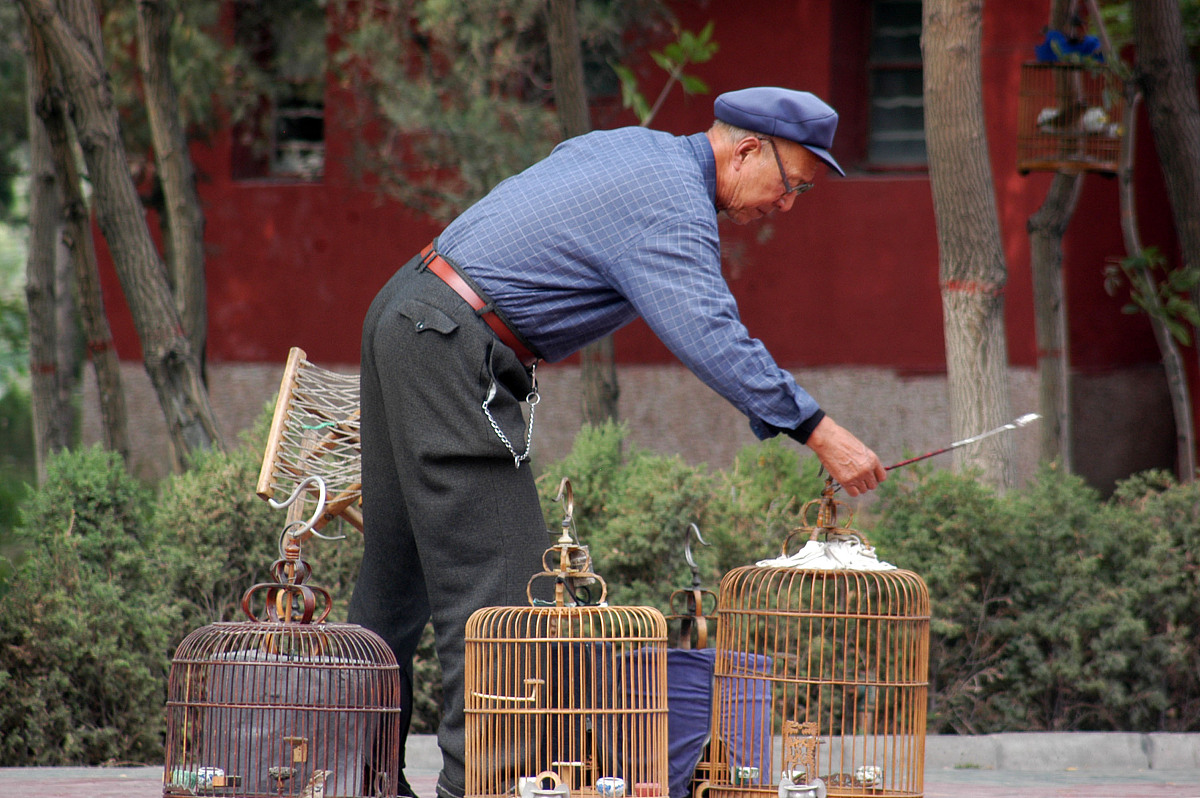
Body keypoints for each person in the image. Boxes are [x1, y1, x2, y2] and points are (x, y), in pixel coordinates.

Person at [347, 86, 887, 798]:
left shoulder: (637, 147)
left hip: (406, 311)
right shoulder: (671, 207)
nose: (785, 205)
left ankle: (353, 778)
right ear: (748, 148)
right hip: (449, 344)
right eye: (791, 185)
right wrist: (818, 428)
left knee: (396, 574)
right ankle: (475, 790)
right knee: (506, 599)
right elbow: (711, 333)